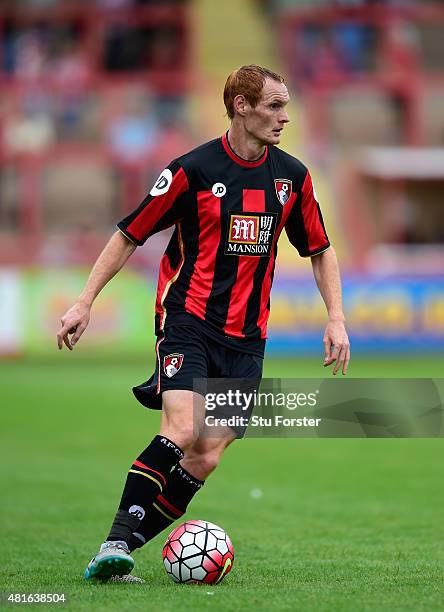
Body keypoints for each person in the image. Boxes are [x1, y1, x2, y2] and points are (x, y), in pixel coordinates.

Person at [57, 65, 350, 583]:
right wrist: (84, 302)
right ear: (241, 106)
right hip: (186, 319)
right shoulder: (192, 170)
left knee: (207, 455)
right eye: (274, 106)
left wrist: (337, 318)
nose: (285, 116)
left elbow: (320, 250)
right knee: (182, 428)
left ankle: (121, 547)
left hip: (247, 337)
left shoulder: (292, 178)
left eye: (286, 106)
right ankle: (113, 543)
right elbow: (130, 233)